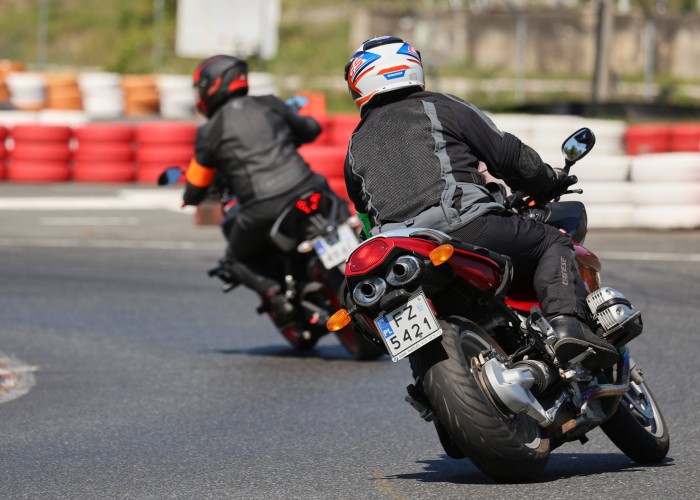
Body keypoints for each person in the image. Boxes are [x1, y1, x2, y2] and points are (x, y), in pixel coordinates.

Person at [342, 36, 617, 370]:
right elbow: (509, 155)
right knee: (552, 240)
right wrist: (548, 180)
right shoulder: (442, 106)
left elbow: (366, 218)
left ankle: (430, 389)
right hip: (465, 227)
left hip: (399, 253)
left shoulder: (355, 144)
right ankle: (566, 326)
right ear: (412, 66)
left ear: (359, 82)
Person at [182, 54, 327, 327]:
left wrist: (188, 197)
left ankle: (275, 295)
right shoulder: (269, 104)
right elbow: (310, 129)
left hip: (264, 206)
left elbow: (196, 188)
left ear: (211, 86)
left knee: (233, 260)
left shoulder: (210, 131)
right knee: (342, 215)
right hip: (310, 186)